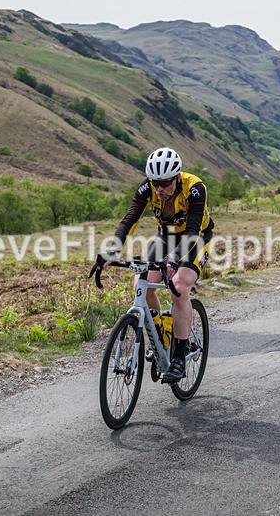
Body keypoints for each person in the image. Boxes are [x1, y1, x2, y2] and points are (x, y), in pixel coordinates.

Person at [90, 147, 214, 383]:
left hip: (196, 237)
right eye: (156, 183)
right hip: (166, 237)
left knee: (180, 287)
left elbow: (192, 232)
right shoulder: (147, 188)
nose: (160, 189)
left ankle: (179, 355)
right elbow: (130, 220)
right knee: (142, 283)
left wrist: (173, 260)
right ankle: (161, 334)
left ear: (177, 177)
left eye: (165, 183)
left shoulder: (195, 188)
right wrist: (110, 252)